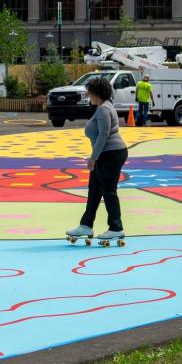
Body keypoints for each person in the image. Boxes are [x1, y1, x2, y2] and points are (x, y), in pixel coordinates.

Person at [66, 76, 129, 243]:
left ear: (96, 93)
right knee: (94, 190)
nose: (88, 94)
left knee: (108, 190)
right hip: (108, 153)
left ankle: (116, 227)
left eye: (89, 92)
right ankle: (86, 224)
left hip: (110, 154)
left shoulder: (103, 110)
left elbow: (103, 135)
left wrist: (93, 158)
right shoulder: (105, 106)